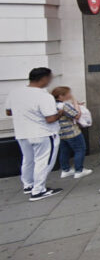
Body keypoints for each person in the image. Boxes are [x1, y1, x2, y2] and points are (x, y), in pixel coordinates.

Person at [5, 68, 62, 200]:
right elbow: (50, 118)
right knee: (43, 162)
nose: (51, 80)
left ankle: (28, 185)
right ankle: (38, 190)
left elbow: (9, 112)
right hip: (43, 133)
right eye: (50, 77)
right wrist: (60, 113)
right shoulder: (44, 96)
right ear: (44, 78)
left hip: (22, 133)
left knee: (28, 160)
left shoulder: (15, 92)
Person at [52, 86, 91, 180]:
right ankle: (79, 170)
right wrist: (74, 101)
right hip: (72, 132)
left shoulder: (53, 104)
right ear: (61, 96)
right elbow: (76, 115)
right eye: (68, 93)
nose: (70, 95)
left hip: (60, 132)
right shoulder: (64, 105)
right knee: (80, 149)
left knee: (64, 151)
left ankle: (65, 170)